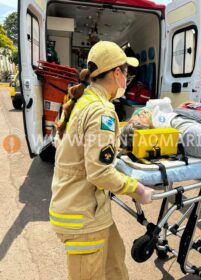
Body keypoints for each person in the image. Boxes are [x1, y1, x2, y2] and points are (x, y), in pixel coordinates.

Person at [49, 41, 154, 280]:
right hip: (83, 218)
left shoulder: (85, 100)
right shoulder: (101, 111)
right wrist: (136, 189)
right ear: (117, 73)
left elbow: (90, 145)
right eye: (127, 72)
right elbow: (100, 173)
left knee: (115, 266)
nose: (128, 78)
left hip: (91, 211)